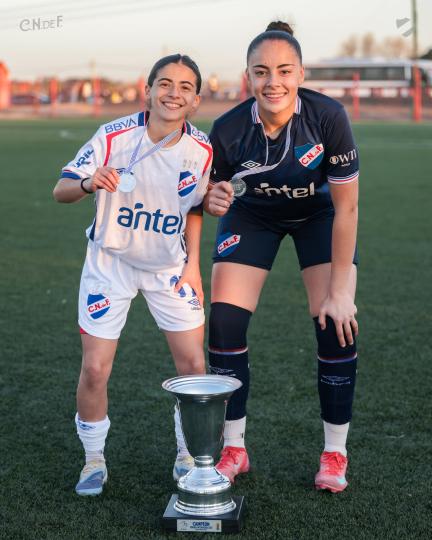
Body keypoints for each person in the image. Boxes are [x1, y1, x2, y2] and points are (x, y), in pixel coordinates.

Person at [204, 21, 359, 493]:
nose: (273, 82)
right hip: (254, 216)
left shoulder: (328, 117)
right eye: (262, 72)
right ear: (248, 76)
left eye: (285, 71)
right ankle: (234, 447)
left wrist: (341, 291)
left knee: (335, 321)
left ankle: (334, 452)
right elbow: (213, 193)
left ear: (301, 74)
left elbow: (347, 207)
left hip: (318, 215)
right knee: (224, 324)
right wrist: (214, 198)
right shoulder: (228, 129)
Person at [53, 54, 212, 496]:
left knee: (193, 367)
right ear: (148, 91)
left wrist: (194, 267)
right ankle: (93, 460)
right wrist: (89, 183)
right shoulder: (113, 136)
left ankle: (187, 455)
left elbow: (196, 207)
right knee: (95, 369)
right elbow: (61, 190)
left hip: (169, 269)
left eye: (185, 87)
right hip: (110, 264)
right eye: (165, 83)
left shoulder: (201, 149)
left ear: (196, 100)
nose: (173, 93)